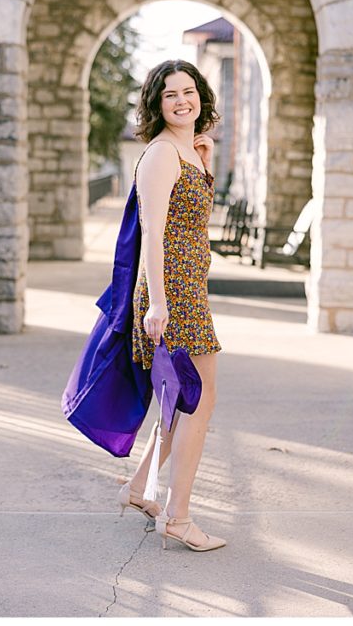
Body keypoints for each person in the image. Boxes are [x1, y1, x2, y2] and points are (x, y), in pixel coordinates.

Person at [116, 59, 226, 552]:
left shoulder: (190, 148)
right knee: (198, 402)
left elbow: (198, 212)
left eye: (189, 91)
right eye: (170, 95)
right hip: (172, 294)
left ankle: (139, 490)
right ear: (156, 104)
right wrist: (157, 303)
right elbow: (153, 234)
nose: (182, 101)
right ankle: (178, 518)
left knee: (182, 401)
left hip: (188, 288)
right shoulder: (161, 154)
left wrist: (206, 160)